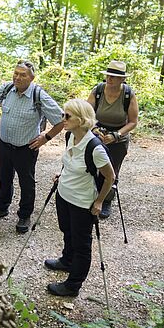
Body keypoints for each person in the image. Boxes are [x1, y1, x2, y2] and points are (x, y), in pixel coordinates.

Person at [45, 99, 114, 298]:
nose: (63, 119)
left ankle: (73, 285)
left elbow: (110, 177)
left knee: (82, 243)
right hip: (64, 194)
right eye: (63, 115)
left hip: (83, 202)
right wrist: (62, 175)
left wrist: (99, 201)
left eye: (68, 116)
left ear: (82, 120)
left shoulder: (95, 148)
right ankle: (67, 260)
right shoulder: (70, 136)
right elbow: (71, 162)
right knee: (67, 230)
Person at [0, 60, 65, 234]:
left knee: (26, 182)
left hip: (26, 148)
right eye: (16, 73)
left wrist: (46, 138)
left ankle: (24, 214)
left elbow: (61, 120)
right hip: (4, 145)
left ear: (32, 78)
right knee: (4, 178)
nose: (18, 77)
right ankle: (1, 207)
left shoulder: (39, 95)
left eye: (23, 75)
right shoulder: (7, 89)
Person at [86, 60, 139, 218]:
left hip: (118, 137)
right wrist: (94, 129)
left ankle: (106, 201)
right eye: (109, 75)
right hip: (96, 133)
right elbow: (87, 113)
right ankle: (91, 197)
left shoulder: (128, 94)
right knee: (91, 166)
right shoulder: (98, 90)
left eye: (114, 76)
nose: (110, 79)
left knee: (111, 170)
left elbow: (133, 122)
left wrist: (116, 135)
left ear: (122, 79)